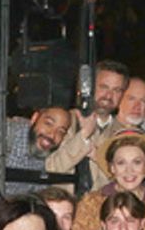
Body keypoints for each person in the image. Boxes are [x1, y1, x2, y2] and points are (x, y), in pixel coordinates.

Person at [42, 59, 129, 194]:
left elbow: (127, 182)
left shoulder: (124, 135)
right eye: (103, 87)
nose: (108, 95)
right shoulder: (64, 121)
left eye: (117, 90)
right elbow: (50, 168)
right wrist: (82, 137)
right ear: (88, 87)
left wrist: (100, 158)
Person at [0, 106, 73, 196]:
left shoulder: (48, 157)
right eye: (48, 124)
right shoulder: (1, 131)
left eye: (61, 132)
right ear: (34, 118)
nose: (52, 135)